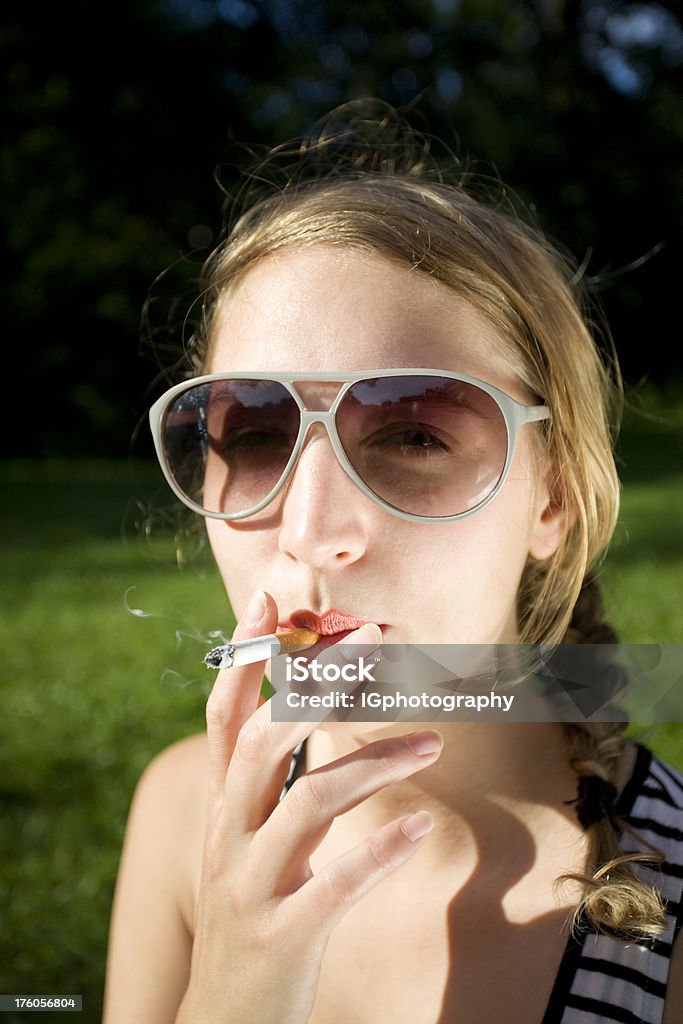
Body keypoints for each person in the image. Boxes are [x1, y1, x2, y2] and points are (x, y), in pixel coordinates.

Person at [102, 102, 683, 1024]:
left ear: (553, 499)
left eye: (414, 432)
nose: (310, 528)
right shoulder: (183, 814)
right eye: (254, 430)